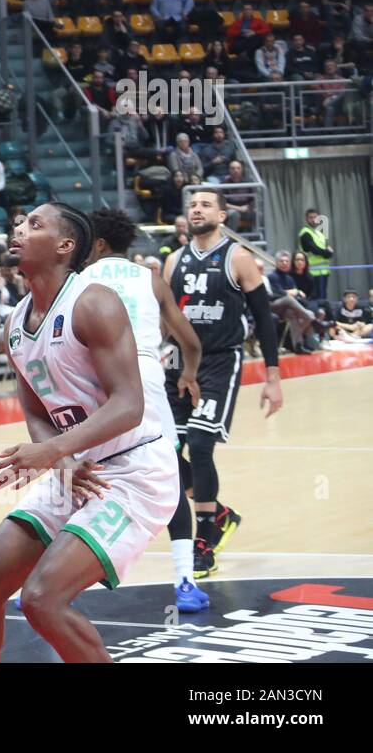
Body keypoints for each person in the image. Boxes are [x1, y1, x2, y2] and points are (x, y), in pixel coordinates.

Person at [0, 204, 178, 663]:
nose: (19, 229)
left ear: (66, 246)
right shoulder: (16, 321)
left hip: (134, 471)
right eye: (20, 223)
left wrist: (53, 452)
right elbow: (37, 407)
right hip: (76, 469)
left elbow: (129, 406)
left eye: (34, 225)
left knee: (42, 600)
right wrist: (60, 462)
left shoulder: (94, 301)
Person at [84, 209, 208, 612]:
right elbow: (190, 342)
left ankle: (43, 580)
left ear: (98, 244)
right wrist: (188, 375)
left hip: (94, 379)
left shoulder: (78, 281)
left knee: (76, 474)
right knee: (169, 476)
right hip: (145, 378)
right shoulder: (151, 280)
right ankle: (186, 582)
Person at [163, 191, 283, 579]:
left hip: (219, 361)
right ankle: (221, 514)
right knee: (163, 454)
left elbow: (265, 319)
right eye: (192, 205)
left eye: (205, 205)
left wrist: (273, 376)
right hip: (179, 363)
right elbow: (163, 319)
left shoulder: (238, 258)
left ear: (222, 214)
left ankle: (205, 539)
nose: (197, 210)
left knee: (199, 444)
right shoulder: (172, 261)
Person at [297, 208, 333, 303]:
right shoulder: (305, 233)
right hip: (313, 272)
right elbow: (314, 249)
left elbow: (325, 248)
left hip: (324, 271)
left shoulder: (319, 233)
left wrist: (327, 253)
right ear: (306, 219)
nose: (313, 219)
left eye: (315, 217)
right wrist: (328, 253)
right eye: (310, 217)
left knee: (323, 297)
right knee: (316, 298)